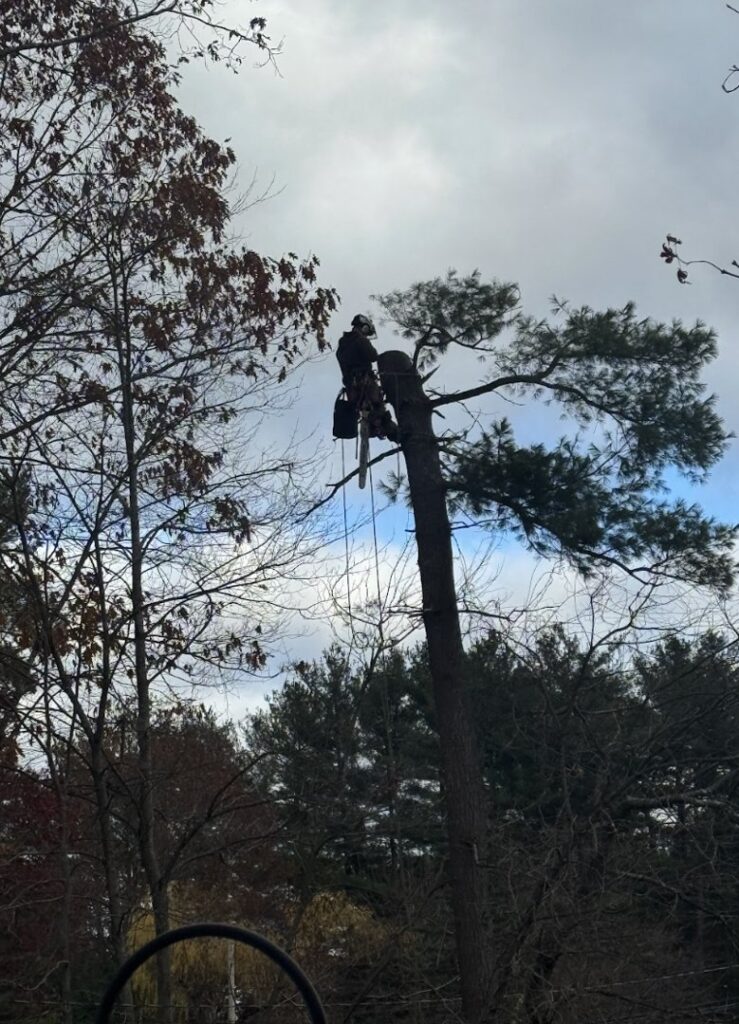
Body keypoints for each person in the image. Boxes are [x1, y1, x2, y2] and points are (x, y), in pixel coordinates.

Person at [335, 314, 399, 441]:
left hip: (351, 389)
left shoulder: (342, 344)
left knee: (368, 410)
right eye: (366, 331)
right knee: (378, 407)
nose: (366, 334)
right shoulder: (360, 340)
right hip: (365, 382)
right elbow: (373, 356)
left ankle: (373, 428)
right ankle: (393, 433)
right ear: (364, 327)